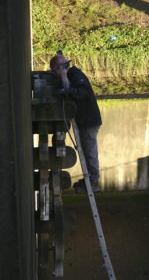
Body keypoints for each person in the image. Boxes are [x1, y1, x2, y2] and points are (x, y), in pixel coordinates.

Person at [50, 52, 102, 193]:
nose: (54, 75)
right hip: (83, 120)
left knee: (90, 152)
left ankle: (93, 182)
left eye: (55, 72)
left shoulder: (75, 74)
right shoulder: (67, 77)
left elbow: (83, 93)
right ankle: (89, 179)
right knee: (85, 152)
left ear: (60, 69)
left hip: (89, 119)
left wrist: (66, 90)